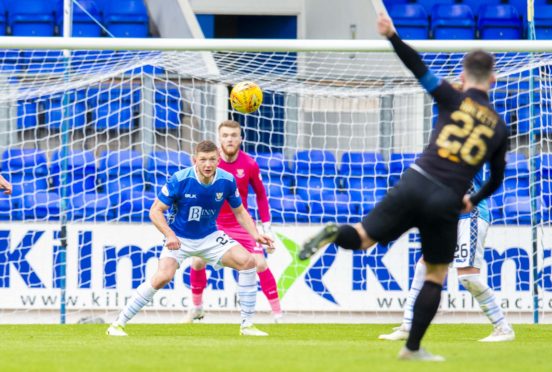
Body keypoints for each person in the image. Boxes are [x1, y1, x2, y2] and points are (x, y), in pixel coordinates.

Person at [299, 13, 509, 362]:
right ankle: (412, 348)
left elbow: (418, 68)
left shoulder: (450, 98)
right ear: (494, 78)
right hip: (447, 197)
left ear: (461, 76)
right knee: (436, 275)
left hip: (415, 178)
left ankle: (335, 233)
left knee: (363, 237)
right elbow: (497, 178)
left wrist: (392, 36)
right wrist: (473, 199)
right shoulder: (499, 127)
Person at [106, 140, 273, 337]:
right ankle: (118, 324)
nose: (208, 164)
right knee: (163, 277)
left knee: (248, 261)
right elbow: (155, 211)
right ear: (195, 160)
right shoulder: (180, 179)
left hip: (210, 236)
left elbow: (240, 212)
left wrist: (256, 235)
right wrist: (169, 235)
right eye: (203, 160)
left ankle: (247, 325)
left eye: (212, 159)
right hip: (180, 238)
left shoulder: (227, 180)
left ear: (219, 160)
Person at [379, 171, 514, 343]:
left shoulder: (468, 147)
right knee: (424, 267)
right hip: (447, 217)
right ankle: (408, 326)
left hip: (471, 215)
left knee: (468, 277)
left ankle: (503, 328)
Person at [186, 120, 282, 323]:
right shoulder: (209, 163)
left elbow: (262, 196)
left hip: (241, 224)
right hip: (213, 224)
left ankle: (278, 314)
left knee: (260, 264)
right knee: (197, 261)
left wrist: (267, 228)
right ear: (219, 138)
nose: (229, 139)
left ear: (240, 138)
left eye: (233, 135)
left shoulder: (249, 164)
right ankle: (196, 308)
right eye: (225, 135)